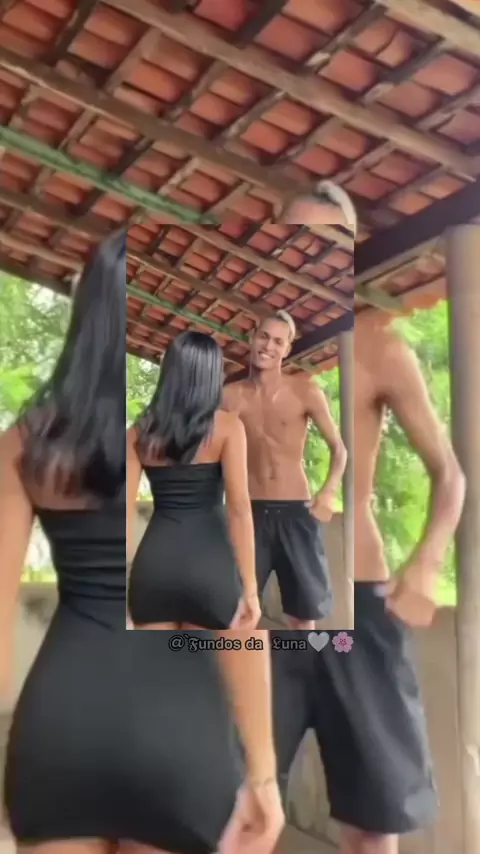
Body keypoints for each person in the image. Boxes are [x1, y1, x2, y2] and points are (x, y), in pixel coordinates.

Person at [0, 236, 284, 854]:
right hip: (176, 732)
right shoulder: (226, 429)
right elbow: (240, 619)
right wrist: (263, 773)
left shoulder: (29, 440)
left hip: (63, 718)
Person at [272, 308, 466, 854]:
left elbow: (450, 474)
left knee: (373, 819)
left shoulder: (380, 350)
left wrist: (426, 563)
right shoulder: (276, 377)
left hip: (358, 607)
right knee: (237, 798)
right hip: (281, 611)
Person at [221, 311, 347, 630]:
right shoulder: (228, 397)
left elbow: (339, 449)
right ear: (252, 337)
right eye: (264, 337)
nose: (268, 346)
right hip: (248, 513)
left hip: (296, 513)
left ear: (287, 349)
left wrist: (329, 491)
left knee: (302, 616)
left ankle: (303, 664)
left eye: (278, 341)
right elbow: (210, 455)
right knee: (238, 609)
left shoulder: (306, 391)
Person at [127, 329, 261, 630]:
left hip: (155, 569)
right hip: (210, 568)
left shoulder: (138, 433)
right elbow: (239, 509)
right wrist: (251, 589)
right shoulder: (228, 428)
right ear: (212, 375)